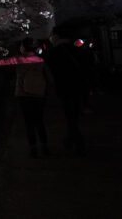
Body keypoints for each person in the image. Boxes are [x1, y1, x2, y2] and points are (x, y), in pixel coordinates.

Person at [0, 37, 50, 157]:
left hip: (23, 94)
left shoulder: (19, 59)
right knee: (39, 121)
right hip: (39, 94)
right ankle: (45, 147)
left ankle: (33, 148)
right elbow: (48, 78)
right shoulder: (40, 60)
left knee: (29, 122)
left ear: (23, 47)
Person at [43, 25, 87, 155]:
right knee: (73, 115)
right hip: (79, 87)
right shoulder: (78, 50)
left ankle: (76, 141)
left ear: (56, 36)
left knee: (70, 115)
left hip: (64, 88)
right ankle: (72, 139)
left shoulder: (52, 53)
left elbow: (48, 72)